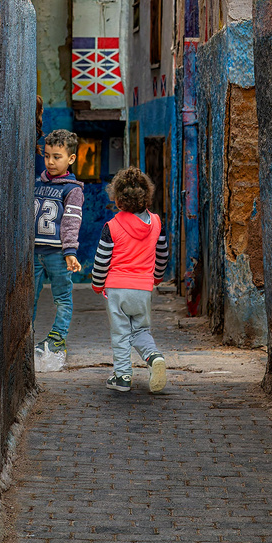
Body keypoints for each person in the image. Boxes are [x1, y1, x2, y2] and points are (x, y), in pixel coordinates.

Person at [91, 166, 169, 393]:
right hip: (143, 289)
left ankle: (122, 376)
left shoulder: (112, 227)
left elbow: (101, 260)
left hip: (116, 289)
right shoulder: (156, 223)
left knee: (120, 333)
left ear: (117, 200)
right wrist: (156, 278)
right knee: (141, 330)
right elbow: (161, 254)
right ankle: (153, 356)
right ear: (147, 196)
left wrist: (97, 283)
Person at [33, 129, 84, 370]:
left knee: (62, 297)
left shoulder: (72, 190)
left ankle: (57, 337)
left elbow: (71, 222)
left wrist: (70, 252)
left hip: (57, 254)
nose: (51, 162)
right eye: (47, 156)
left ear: (71, 159)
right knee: (28, 297)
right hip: (33, 253)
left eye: (57, 157)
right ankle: (28, 338)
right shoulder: (36, 183)